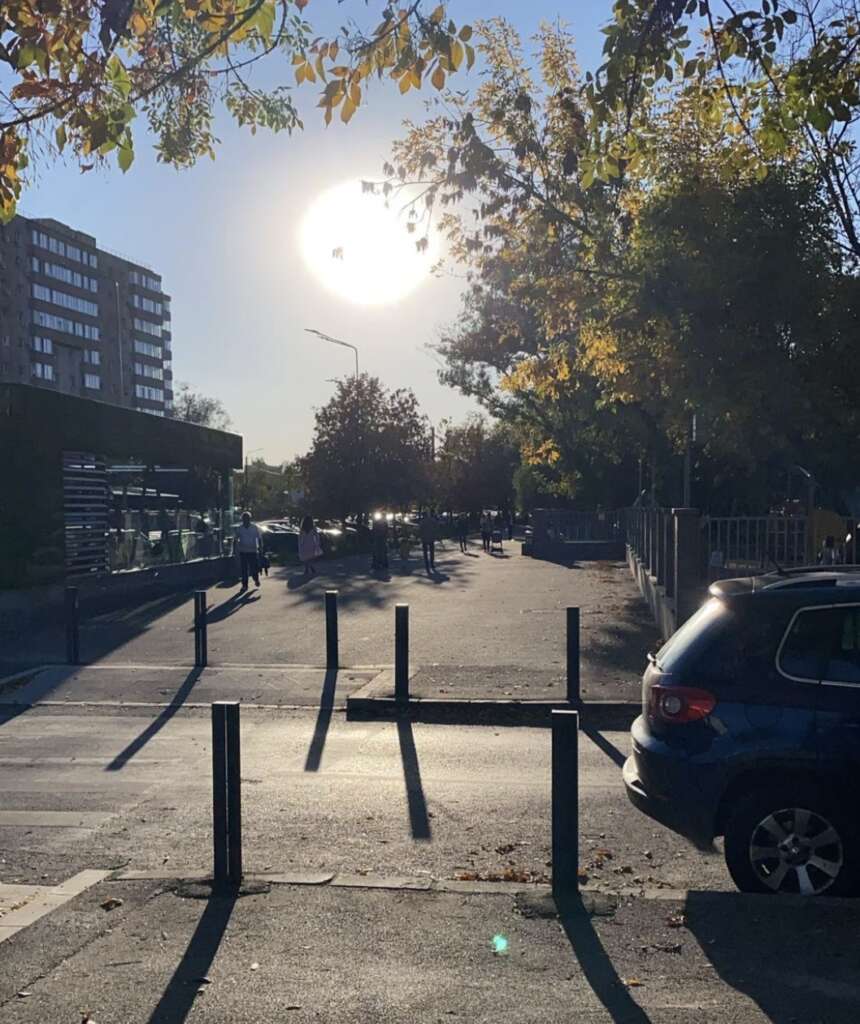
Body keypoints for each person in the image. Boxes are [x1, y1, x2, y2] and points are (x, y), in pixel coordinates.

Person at [235, 510, 263, 590]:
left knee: (254, 567)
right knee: (244, 569)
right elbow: (236, 539)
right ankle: (245, 585)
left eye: (247, 518)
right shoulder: (240, 528)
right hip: (243, 551)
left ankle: (256, 579)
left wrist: (260, 548)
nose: (245, 520)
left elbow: (259, 538)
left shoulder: (254, 527)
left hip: (252, 551)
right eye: (244, 518)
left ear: (249, 519)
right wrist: (236, 549)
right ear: (242, 519)